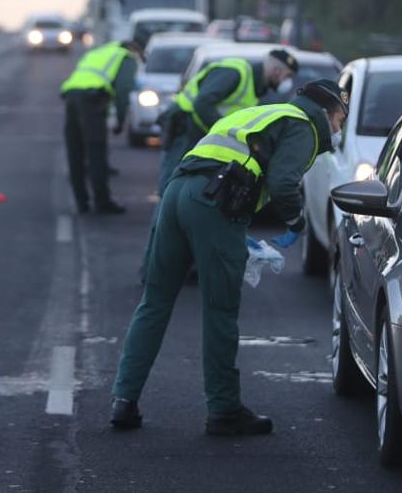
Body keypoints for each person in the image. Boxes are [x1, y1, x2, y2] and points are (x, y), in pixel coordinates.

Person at [110, 80, 349, 436]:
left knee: (155, 301)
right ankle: (223, 409)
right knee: (220, 309)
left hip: (179, 192)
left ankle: (123, 401)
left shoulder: (261, 113)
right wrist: (297, 222)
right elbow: (284, 182)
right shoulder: (304, 125)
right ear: (327, 111)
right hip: (214, 201)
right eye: (341, 118)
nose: (339, 127)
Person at [156, 49, 298, 194]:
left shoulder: (256, 87)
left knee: (186, 188)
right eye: (288, 76)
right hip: (186, 125)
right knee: (170, 187)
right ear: (276, 70)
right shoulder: (235, 73)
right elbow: (202, 103)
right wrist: (226, 133)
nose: (287, 81)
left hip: (201, 132)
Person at [59, 29, 146, 214]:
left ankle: (81, 202)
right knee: (96, 152)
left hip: (72, 96)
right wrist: (121, 122)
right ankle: (102, 202)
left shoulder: (99, 52)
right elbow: (123, 91)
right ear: (136, 49)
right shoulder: (126, 57)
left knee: (75, 151)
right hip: (91, 99)